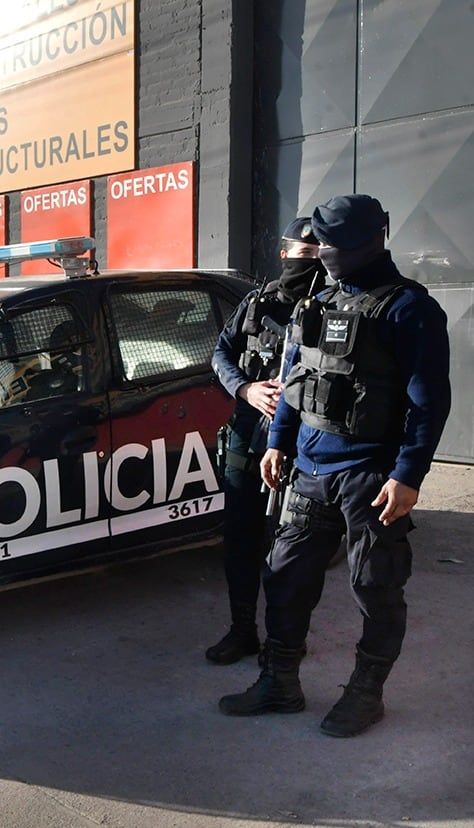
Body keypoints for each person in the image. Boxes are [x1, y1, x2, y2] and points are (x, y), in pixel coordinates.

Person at [219, 195, 451, 737]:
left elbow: (428, 401)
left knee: (375, 586)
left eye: (332, 244)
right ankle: (279, 684)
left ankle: (366, 695)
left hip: (372, 476)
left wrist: (408, 475)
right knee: (284, 579)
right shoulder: (318, 300)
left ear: (371, 241)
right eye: (319, 242)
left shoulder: (408, 308)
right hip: (308, 466)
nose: (321, 253)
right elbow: (295, 379)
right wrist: (277, 442)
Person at [206, 217, 325, 664]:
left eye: (320, 252)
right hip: (247, 433)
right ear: (283, 252)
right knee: (240, 538)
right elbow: (220, 352)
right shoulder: (258, 302)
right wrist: (245, 388)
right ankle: (242, 631)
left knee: (293, 547)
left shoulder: (332, 304)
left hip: (302, 440)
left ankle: (284, 639)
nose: (312, 260)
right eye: (304, 251)